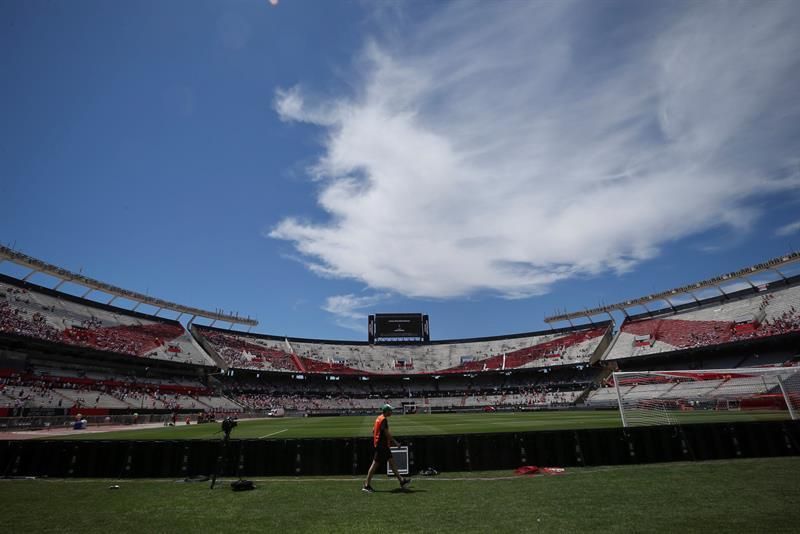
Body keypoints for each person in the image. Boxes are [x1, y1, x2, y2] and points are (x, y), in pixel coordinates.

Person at [362, 404, 411, 493]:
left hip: (382, 445)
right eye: (390, 410)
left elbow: (373, 430)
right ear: (387, 411)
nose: (391, 412)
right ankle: (366, 485)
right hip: (382, 446)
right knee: (374, 465)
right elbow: (386, 434)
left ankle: (401, 481)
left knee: (392, 463)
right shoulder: (383, 420)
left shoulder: (379, 418)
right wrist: (396, 443)